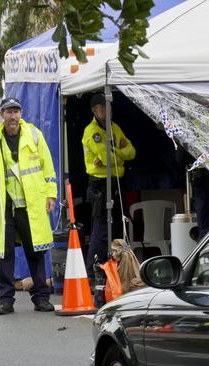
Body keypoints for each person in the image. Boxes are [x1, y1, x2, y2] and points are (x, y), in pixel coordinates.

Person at [0, 97, 57, 316]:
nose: (12, 116)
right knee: (5, 254)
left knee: (35, 252)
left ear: (21, 113)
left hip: (31, 205)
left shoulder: (34, 135)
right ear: (2, 115)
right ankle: (5, 300)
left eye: (16, 111)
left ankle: (41, 298)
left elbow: (47, 166)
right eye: (8, 112)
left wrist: (51, 194)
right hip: (4, 207)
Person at [82, 93, 136, 282]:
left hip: (116, 183)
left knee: (117, 227)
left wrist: (115, 154)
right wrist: (118, 153)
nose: (106, 110)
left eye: (107, 107)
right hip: (99, 185)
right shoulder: (92, 132)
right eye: (101, 107)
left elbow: (132, 152)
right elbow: (106, 157)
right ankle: (92, 272)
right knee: (101, 231)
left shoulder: (114, 128)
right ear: (94, 111)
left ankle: (114, 272)